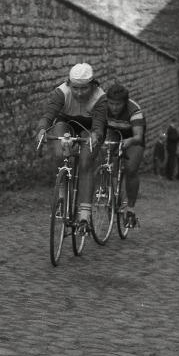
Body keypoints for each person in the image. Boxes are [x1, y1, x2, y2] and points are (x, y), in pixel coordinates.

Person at [35, 63, 107, 231]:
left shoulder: (100, 97)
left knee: (85, 162)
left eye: (84, 88)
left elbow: (98, 126)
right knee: (60, 151)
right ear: (69, 84)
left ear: (92, 85)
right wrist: (41, 130)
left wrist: (96, 136)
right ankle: (61, 195)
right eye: (75, 88)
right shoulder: (61, 92)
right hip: (66, 122)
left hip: (90, 128)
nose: (79, 93)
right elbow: (48, 115)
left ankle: (84, 215)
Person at [105, 83, 146, 226]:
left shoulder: (134, 110)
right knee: (107, 162)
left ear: (125, 102)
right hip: (113, 133)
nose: (114, 107)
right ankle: (112, 194)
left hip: (132, 138)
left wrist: (130, 141)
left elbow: (138, 137)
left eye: (118, 104)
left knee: (131, 168)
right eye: (111, 104)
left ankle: (130, 209)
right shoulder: (102, 106)